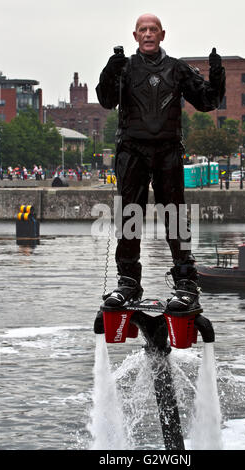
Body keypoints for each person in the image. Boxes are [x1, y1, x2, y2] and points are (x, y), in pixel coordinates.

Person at [96, 13, 225, 312]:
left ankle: (185, 281)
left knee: (175, 215)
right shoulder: (125, 68)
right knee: (129, 216)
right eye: (143, 29)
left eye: (153, 29)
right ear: (135, 35)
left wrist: (218, 78)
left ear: (162, 35)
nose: (149, 34)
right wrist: (109, 72)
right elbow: (105, 100)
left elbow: (207, 102)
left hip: (167, 149)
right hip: (132, 150)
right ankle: (128, 281)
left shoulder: (177, 69)